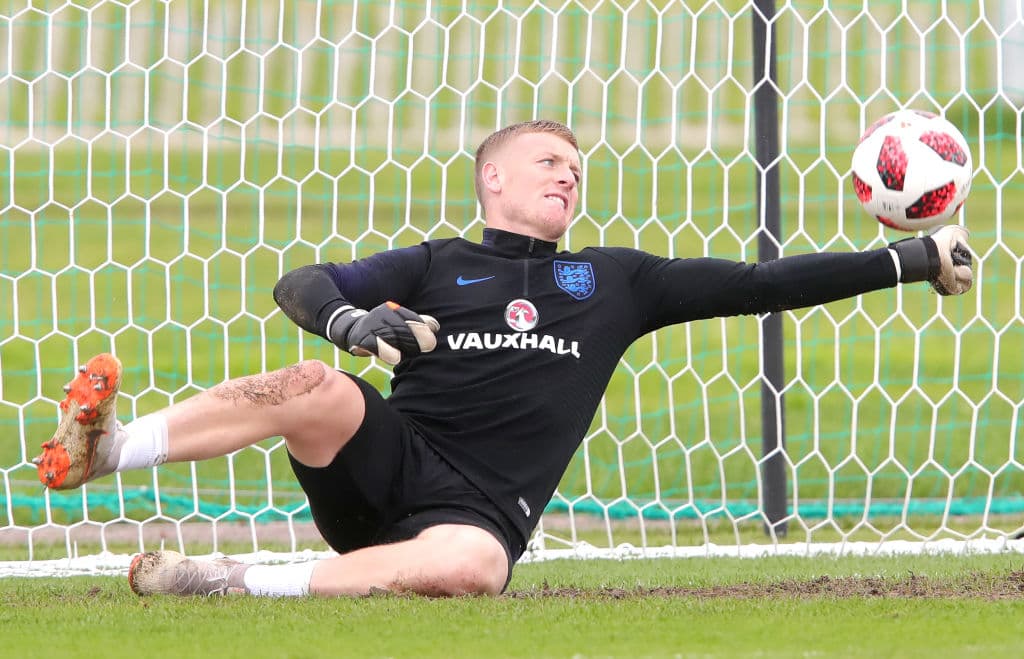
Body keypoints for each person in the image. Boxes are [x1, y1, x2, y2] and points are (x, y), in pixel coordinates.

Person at [34, 119, 974, 598]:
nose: (567, 172)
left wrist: (909, 257)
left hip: (478, 509)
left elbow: (760, 284)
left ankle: (225, 583)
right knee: (318, 385)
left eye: (575, 165)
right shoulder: (439, 262)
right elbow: (301, 280)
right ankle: (111, 448)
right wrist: (356, 326)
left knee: (478, 570)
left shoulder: (619, 281)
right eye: (546, 161)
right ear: (493, 178)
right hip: (386, 459)